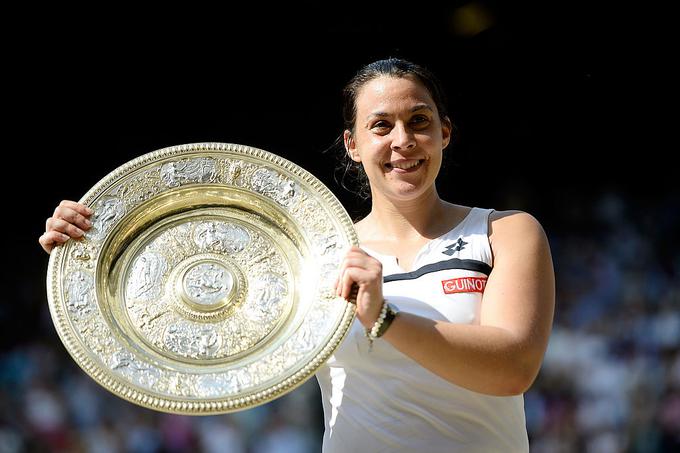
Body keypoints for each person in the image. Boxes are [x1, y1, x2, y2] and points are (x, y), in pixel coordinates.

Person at [39, 58, 555, 452]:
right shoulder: (312, 255)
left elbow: (511, 369)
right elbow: (203, 330)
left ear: (444, 132)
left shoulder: (505, 232)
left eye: (419, 121)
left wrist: (384, 318)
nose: (403, 140)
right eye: (381, 126)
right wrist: (90, 251)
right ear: (353, 145)